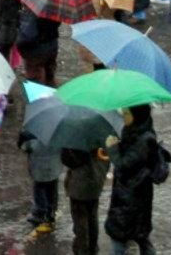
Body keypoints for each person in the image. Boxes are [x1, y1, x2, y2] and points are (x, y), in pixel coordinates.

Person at [105, 105, 160, 255]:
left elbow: (124, 165)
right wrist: (118, 145)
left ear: (137, 115)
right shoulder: (134, 130)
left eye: (126, 112)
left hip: (131, 197)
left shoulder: (144, 140)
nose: (123, 115)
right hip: (130, 194)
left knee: (119, 237)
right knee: (140, 236)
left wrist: (112, 149)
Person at [62, 145, 110, 255]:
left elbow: (68, 160)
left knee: (80, 223)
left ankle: (83, 250)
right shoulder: (102, 138)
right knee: (92, 217)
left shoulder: (76, 140)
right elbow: (107, 159)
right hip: (95, 183)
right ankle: (93, 249)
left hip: (79, 185)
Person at [19, 128, 62, 236]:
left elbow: (24, 146)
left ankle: (41, 213)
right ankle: (51, 211)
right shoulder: (58, 130)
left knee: (40, 189)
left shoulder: (31, 132)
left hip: (38, 168)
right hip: (54, 167)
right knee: (52, 189)